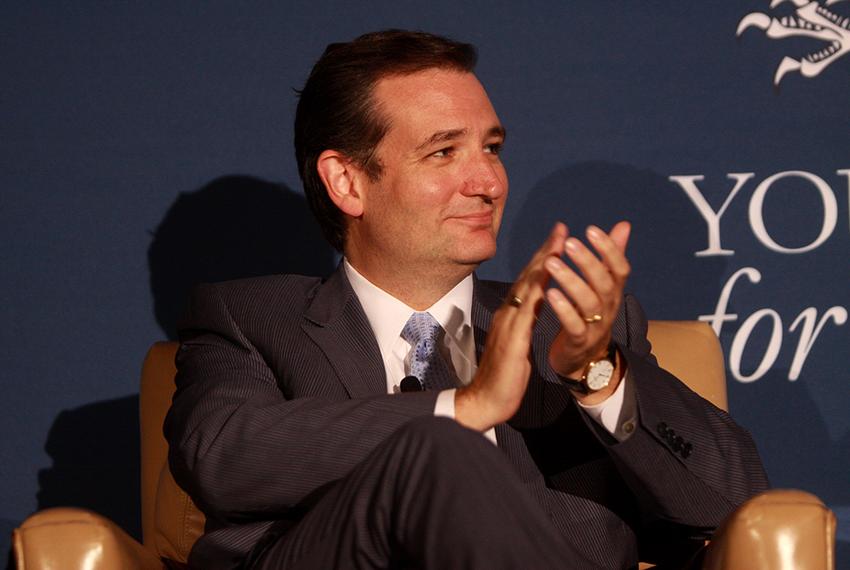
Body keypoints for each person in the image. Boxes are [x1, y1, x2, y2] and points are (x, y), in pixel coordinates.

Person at [165, 30, 768, 570]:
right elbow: (222, 458)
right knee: (436, 447)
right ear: (347, 181)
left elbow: (736, 504)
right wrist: (465, 407)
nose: (488, 182)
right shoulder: (249, 319)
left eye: (492, 148)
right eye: (443, 152)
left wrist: (596, 375)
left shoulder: (563, 332)